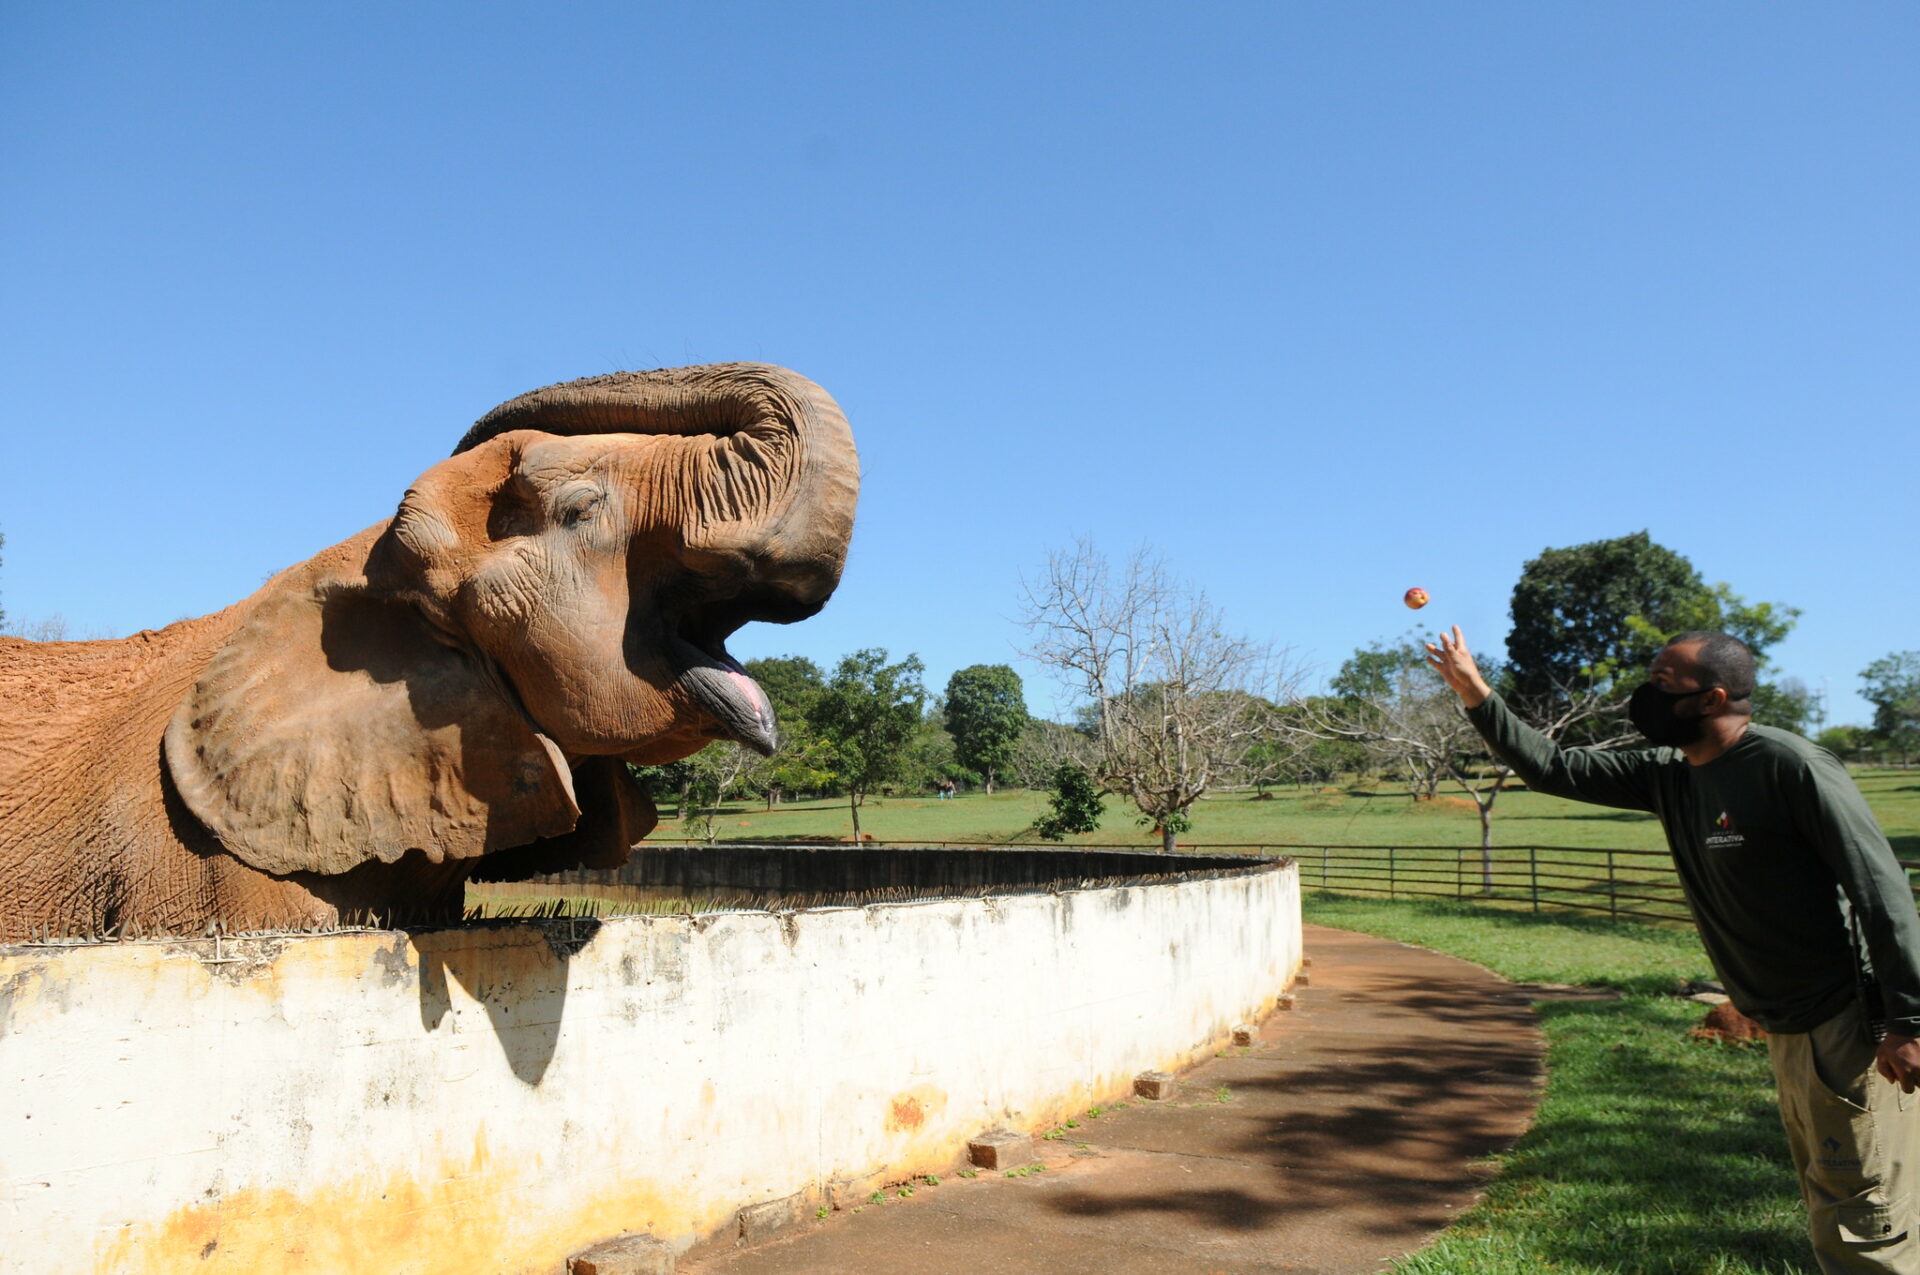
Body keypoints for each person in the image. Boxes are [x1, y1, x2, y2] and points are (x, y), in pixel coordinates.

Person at [1426, 625, 1920, 1274]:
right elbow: (1550, 766)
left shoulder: (1789, 766)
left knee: (1868, 1223)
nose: (1644, 692)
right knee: (1834, 1209)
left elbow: (1881, 890)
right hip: (1784, 1026)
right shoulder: (1671, 776)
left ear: (1712, 698)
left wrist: (1910, 1020)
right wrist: (1476, 692)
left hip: (1845, 1024)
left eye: (1663, 681)